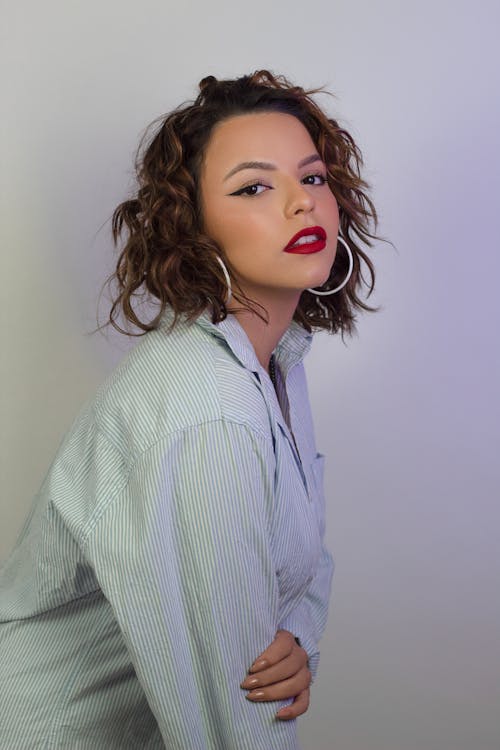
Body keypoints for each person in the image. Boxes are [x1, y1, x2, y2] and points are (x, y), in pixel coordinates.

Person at [0, 69, 379, 749]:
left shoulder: (272, 359)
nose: (302, 204)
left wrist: (296, 633)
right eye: (254, 187)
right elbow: (233, 718)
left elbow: (302, 553)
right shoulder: (209, 410)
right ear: (193, 227)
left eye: (314, 178)